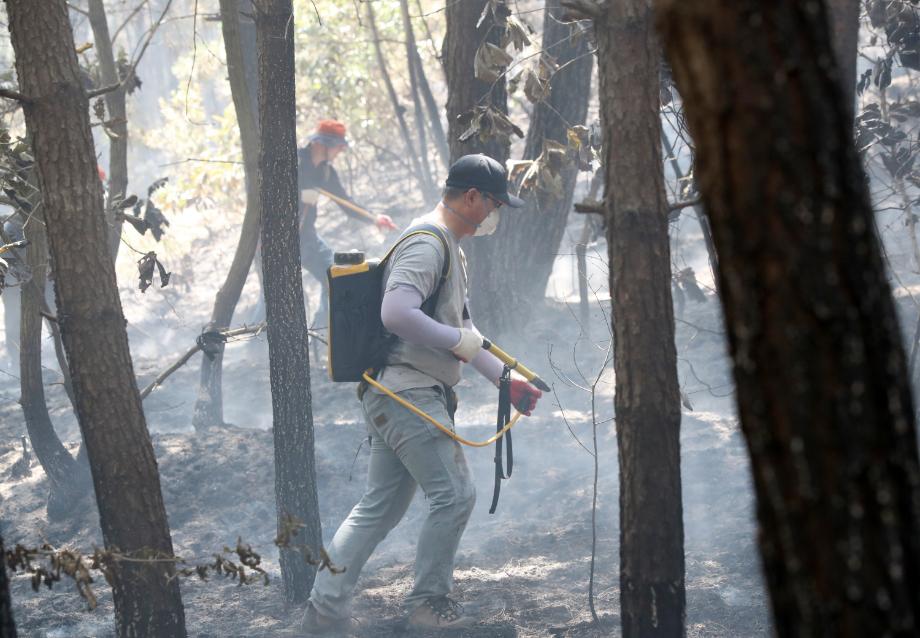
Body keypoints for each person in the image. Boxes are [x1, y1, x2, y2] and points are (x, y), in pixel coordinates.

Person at [300, 154, 544, 633]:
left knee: (379, 508)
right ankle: (428, 607)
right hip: (406, 393)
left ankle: (322, 613)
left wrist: (505, 380)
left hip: (397, 392)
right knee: (454, 495)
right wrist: (457, 342)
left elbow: (466, 331)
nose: (494, 214)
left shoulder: (450, 248)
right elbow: (396, 314)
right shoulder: (427, 244)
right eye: (494, 204)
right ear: (471, 197)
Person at [297, 120, 396, 327]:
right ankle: (254, 339)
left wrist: (374, 218)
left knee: (334, 277)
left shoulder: (325, 172)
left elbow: (346, 203)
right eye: (338, 146)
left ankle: (321, 332)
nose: (340, 151)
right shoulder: (294, 162)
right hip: (275, 242)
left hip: (306, 237)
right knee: (271, 296)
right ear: (322, 144)